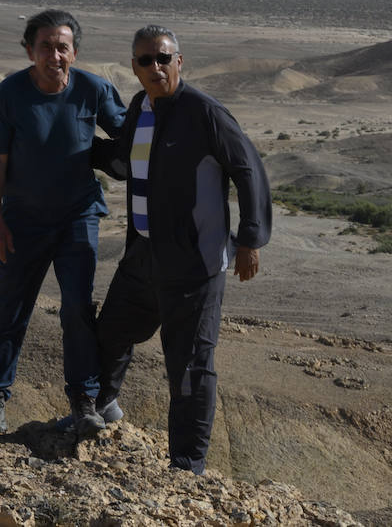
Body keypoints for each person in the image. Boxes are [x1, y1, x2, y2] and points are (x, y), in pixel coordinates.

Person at [90, 24, 271, 474]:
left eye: (163, 58)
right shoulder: (140, 108)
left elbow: (248, 169)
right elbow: (124, 160)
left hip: (195, 264)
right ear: (133, 67)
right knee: (110, 332)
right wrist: (76, 148)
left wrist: (250, 239)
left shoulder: (205, 113)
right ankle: (102, 408)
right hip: (143, 254)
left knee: (189, 367)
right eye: (145, 60)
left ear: (179, 61)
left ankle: (186, 467)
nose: (156, 67)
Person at [0, 9, 126, 438]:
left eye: (62, 47)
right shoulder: (10, 94)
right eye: (45, 46)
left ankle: (84, 401)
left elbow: (130, 135)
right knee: (10, 310)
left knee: (78, 310)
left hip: (78, 217)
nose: (54, 55)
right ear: (29, 50)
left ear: (74, 52)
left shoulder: (94, 89)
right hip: (23, 220)